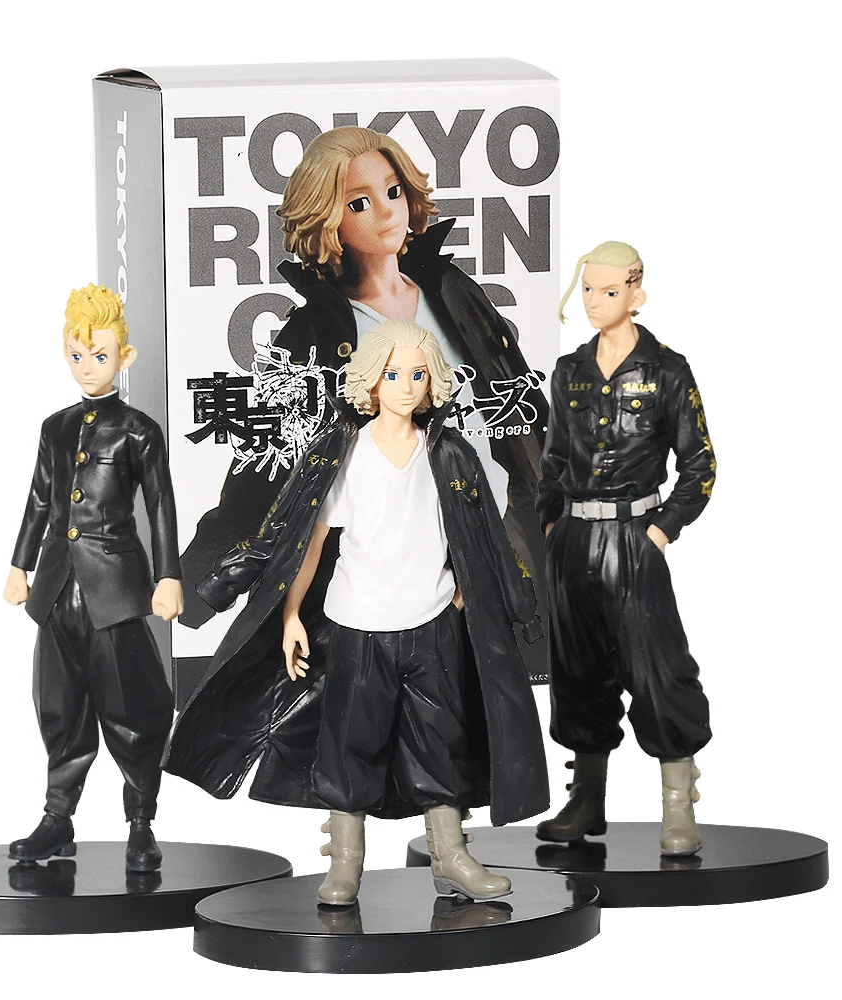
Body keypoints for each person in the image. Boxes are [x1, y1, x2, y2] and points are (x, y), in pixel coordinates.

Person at [165, 320, 548, 905]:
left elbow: (481, 536)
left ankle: (450, 855)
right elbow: (308, 540)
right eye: (393, 374)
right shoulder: (344, 452)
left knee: (441, 741)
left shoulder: (448, 453)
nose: (406, 386)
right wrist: (291, 614)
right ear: (370, 379)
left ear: (433, 381)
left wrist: (472, 595)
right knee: (349, 743)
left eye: (417, 374)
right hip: (358, 624)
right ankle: (345, 862)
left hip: (433, 623)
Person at [179, 128, 549, 685]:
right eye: (358, 203)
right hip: (383, 570)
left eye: (393, 191)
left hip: (490, 548)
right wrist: (189, 588)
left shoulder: (452, 290)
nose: (387, 211)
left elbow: (524, 407)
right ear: (327, 220)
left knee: (494, 712)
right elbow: (261, 474)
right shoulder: (315, 333)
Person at [536, 243, 713, 856]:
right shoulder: (569, 371)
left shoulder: (667, 371)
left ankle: (677, 800)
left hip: (635, 539)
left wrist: (660, 531)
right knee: (577, 670)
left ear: (635, 295)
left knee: (656, 667)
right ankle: (586, 798)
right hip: (574, 540)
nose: (593, 302)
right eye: (587, 289)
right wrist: (551, 525)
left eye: (608, 292)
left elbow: (700, 465)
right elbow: (553, 459)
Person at [3, 284, 183, 873]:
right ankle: (57, 818)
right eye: (76, 355)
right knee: (58, 706)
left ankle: (141, 823)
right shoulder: (54, 428)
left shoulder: (138, 430)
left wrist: (168, 577)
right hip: (57, 590)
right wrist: (20, 566)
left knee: (134, 709)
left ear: (124, 357)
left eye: (99, 355)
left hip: (116, 592)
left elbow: (160, 505)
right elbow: (39, 500)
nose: (87, 366)